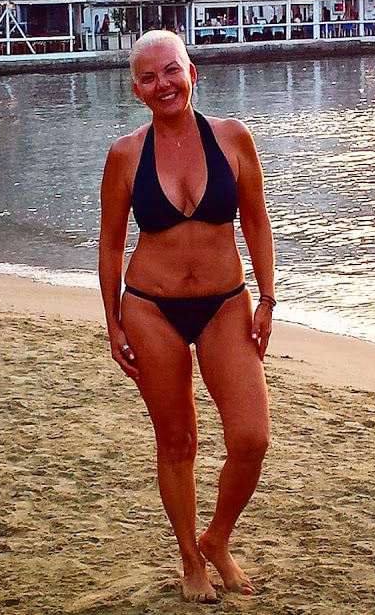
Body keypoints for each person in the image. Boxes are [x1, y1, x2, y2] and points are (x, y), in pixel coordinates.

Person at [98, 30, 274, 603]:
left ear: (191, 71)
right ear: (136, 90)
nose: (163, 84)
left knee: (251, 438)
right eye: (148, 78)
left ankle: (216, 538)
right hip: (150, 308)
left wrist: (267, 298)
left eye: (171, 70)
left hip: (226, 305)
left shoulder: (233, 137)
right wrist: (113, 322)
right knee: (177, 441)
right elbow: (110, 243)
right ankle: (190, 560)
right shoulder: (125, 155)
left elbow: (257, 221)